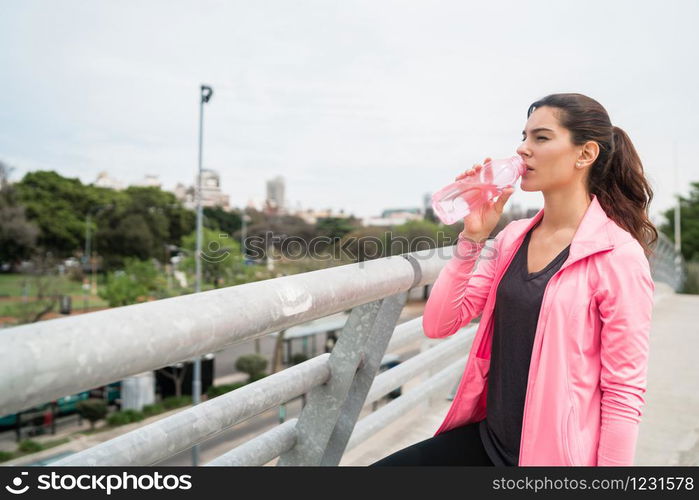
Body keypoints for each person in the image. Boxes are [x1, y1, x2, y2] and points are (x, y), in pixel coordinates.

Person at [371, 93, 657, 467]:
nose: (523, 150)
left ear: (585, 154)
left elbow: (624, 391)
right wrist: (473, 237)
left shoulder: (618, 256)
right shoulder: (511, 238)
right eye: (523, 137)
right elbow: (439, 323)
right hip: (489, 443)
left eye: (540, 138)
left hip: (553, 460)